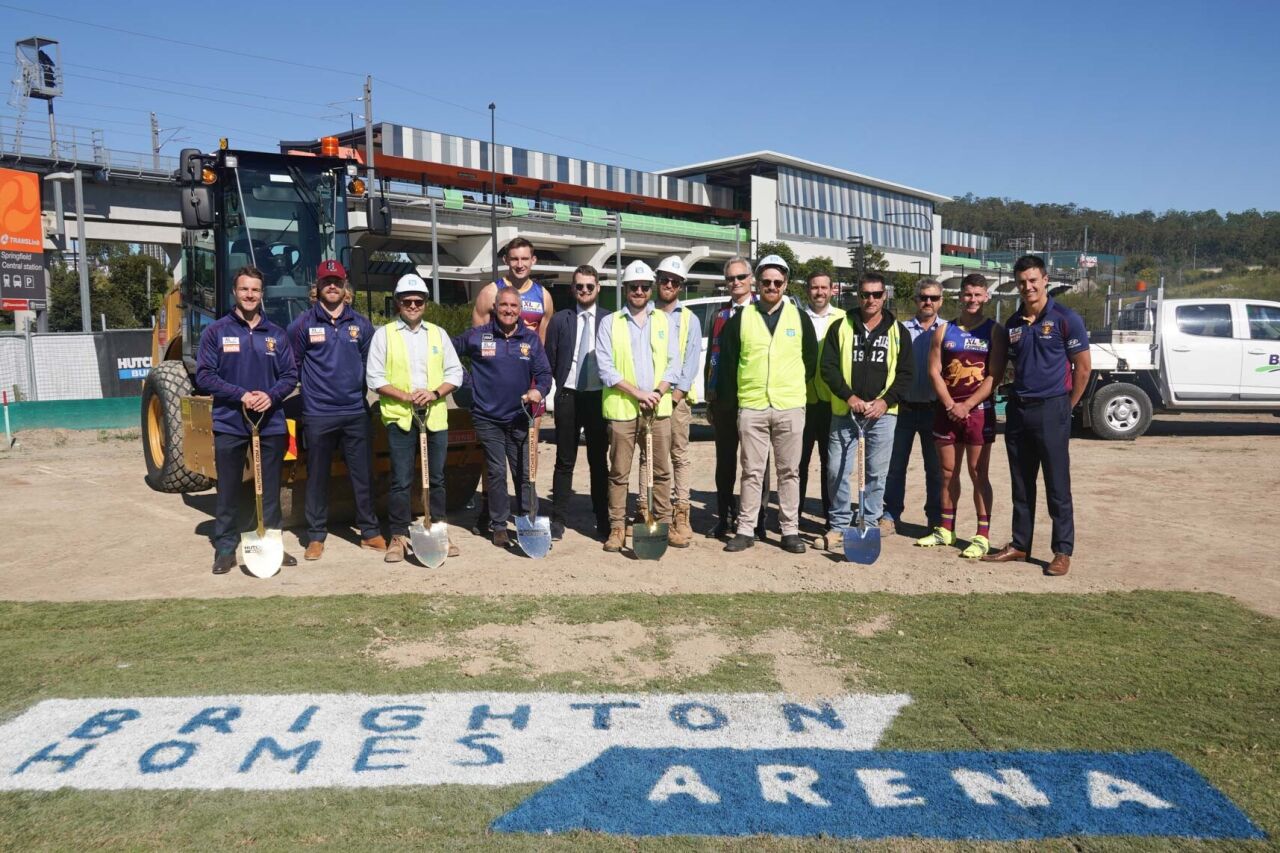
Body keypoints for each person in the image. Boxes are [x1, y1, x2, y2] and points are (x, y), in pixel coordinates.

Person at [984, 255, 1091, 576]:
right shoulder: (1013, 324)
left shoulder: (1065, 318)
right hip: (1019, 410)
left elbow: (1083, 369)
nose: (1028, 287)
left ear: (1045, 280)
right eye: (1022, 282)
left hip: (1053, 408)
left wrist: (1065, 406)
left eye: (1033, 280)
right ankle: (1020, 544)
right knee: (1021, 482)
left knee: (1057, 484)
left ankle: (1062, 551)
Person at [195, 266, 299, 575]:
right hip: (230, 422)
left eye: (255, 290)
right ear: (235, 293)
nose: (250, 295)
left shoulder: (277, 334)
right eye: (244, 289)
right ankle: (226, 547)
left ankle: (271, 542)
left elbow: (290, 375)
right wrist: (240, 395)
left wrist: (271, 395)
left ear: (261, 294)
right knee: (228, 488)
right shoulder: (216, 332)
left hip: (270, 423)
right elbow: (204, 375)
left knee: (269, 488)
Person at [715, 255, 818, 554]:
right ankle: (745, 529)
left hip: (789, 406)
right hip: (753, 406)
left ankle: (789, 530)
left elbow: (809, 361)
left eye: (777, 282)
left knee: (790, 472)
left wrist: (791, 387)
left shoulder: (799, 318)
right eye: (766, 282)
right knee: (751, 471)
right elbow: (729, 366)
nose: (771, 286)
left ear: (785, 284)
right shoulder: (740, 320)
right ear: (757, 284)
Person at [287, 260, 384, 560]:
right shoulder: (302, 324)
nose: (332, 286)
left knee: (363, 474)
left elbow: (372, 364)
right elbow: (294, 366)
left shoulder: (362, 324)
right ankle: (316, 536)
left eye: (337, 281)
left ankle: (369, 532)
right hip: (318, 414)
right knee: (317, 476)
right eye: (326, 281)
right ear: (317, 288)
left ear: (345, 287)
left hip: (356, 411)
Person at [367, 274, 464, 563]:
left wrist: (434, 393)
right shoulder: (384, 335)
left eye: (418, 301)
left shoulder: (438, 334)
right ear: (398, 303)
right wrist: (405, 396)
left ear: (424, 303)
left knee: (436, 478)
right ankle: (397, 535)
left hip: (434, 417)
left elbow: (455, 373)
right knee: (401, 479)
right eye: (407, 301)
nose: (412, 305)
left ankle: (438, 527)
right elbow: (374, 377)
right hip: (400, 418)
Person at [917, 273, 1008, 559]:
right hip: (947, 411)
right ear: (960, 296)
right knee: (946, 472)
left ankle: (982, 535)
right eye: (968, 294)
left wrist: (966, 406)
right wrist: (949, 404)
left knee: (978, 473)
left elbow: (995, 375)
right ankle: (946, 528)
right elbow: (934, 370)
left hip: (977, 411)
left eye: (978, 295)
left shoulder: (994, 331)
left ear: (986, 297)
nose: (972, 300)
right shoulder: (944, 331)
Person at [820, 272, 913, 551]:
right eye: (865, 294)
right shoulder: (841, 327)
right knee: (837, 469)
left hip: (883, 414)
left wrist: (885, 401)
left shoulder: (898, 332)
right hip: (846, 412)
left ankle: (869, 524)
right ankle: (837, 526)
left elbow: (907, 373)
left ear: (884, 296)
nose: (870, 299)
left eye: (876, 294)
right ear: (857, 296)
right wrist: (849, 397)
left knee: (876, 473)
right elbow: (828, 367)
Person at [454, 286, 552, 547]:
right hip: (487, 418)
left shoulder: (530, 340)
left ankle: (528, 519)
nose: (509, 310)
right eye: (504, 305)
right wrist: (467, 383)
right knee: (497, 471)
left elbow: (545, 374)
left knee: (524, 472)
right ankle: (498, 525)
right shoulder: (478, 336)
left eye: (514, 306)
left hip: (520, 417)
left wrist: (538, 390)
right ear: (495, 308)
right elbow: (449, 351)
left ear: (520, 310)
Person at [469, 237, 554, 534]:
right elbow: (477, 342)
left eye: (524, 259)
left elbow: (541, 343)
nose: (519, 264)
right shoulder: (490, 292)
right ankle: (489, 512)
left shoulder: (543, 296)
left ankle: (527, 513)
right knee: (493, 461)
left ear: (533, 261)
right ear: (507, 260)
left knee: (527, 454)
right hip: (496, 390)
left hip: (530, 388)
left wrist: (539, 387)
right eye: (514, 259)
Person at [596, 260, 682, 552]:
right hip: (623, 410)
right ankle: (617, 528)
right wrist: (637, 393)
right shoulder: (610, 323)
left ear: (651, 289)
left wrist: (656, 393)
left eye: (645, 287)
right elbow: (606, 369)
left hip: (657, 409)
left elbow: (674, 365)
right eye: (634, 287)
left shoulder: (664, 321)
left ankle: (662, 524)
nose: (640, 291)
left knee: (660, 471)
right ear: (625, 289)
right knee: (619, 472)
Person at [703, 256, 767, 540]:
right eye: (731, 279)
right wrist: (710, 397)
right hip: (725, 401)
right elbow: (712, 359)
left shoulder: (764, 311)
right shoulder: (720, 315)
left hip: (755, 400)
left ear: (751, 278)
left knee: (756, 464)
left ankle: (757, 520)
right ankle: (724, 518)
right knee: (725, 464)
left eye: (741, 277)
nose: (736, 283)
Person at [544, 264, 610, 541]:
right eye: (579, 286)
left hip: (597, 397)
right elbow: (550, 357)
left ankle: (603, 518)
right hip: (568, 395)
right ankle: (558, 518)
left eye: (589, 286)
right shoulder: (561, 320)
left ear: (598, 288)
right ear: (573, 289)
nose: (584, 291)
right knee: (564, 459)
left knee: (598, 460)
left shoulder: (609, 320)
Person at [883, 278, 945, 532]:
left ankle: (936, 518)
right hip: (904, 409)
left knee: (936, 469)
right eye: (923, 297)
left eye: (933, 298)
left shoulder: (948, 331)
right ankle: (889, 514)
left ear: (941, 301)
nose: (927, 302)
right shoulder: (901, 330)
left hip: (934, 410)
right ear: (915, 300)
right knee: (895, 466)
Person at [649, 255, 702, 548]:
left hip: (677, 400)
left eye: (674, 281)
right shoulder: (645, 312)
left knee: (679, 455)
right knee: (650, 456)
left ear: (681, 286)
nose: (668, 285)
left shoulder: (688, 319)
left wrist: (676, 395)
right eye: (665, 279)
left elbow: (690, 360)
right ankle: (651, 509)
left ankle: (682, 511)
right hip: (650, 399)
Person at [797, 270, 846, 528]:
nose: (819, 292)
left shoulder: (843, 319)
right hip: (801, 402)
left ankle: (832, 518)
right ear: (808, 290)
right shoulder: (796, 317)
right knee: (798, 464)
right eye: (814, 287)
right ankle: (793, 516)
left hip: (832, 404)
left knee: (832, 465)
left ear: (832, 289)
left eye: (824, 287)